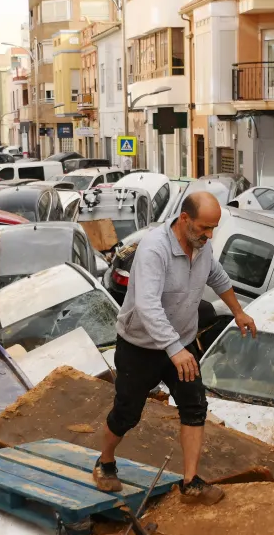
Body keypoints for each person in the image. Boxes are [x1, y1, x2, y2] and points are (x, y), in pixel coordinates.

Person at [94, 190, 257, 504]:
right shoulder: (154, 250)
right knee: (127, 413)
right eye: (204, 228)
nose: (209, 236)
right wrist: (174, 348)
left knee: (194, 406)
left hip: (180, 344)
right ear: (184, 219)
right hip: (140, 346)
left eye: (213, 229)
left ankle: (191, 481)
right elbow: (147, 306)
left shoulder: (202, 246)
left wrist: (238, 311)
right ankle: (105, 463)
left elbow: (217, 276)